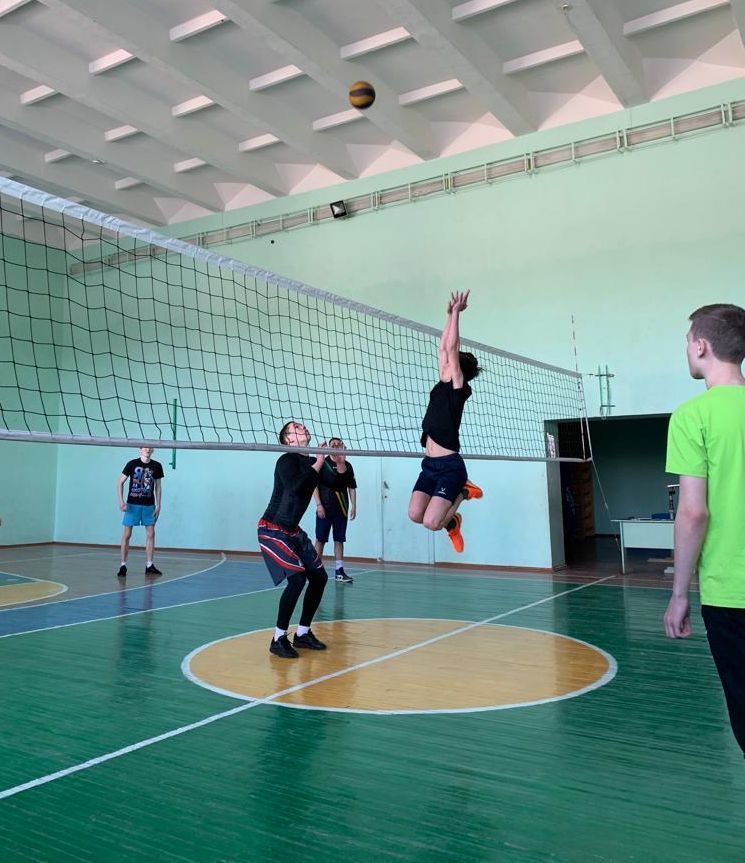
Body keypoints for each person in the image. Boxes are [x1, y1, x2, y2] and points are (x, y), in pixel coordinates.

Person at [664, 303, 745, 755]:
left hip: (730, 593)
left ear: (701, 346)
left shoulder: (692, 416)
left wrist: (680, 594)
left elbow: (694, 513)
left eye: (686, 342)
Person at [408, 291, 483, 553]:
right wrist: (448, 315)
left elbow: (451, 349)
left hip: (450, 467)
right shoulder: (442, 382)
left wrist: (457, 314)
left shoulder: (458, 387)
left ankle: (463, 492)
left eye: (449, 363)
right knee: (415, 515)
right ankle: (452, 518)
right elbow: (444, 348)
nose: (444, 363)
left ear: (457, 369)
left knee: (432, 523)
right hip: (429, 465)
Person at [258, 421, 330, 659]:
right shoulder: (286, 460)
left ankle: (303, 633)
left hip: (292, 530)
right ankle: (278, 638)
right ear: (289, 440)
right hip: (272, 529)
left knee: (319, 577)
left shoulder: (310, 463)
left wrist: (338, 463)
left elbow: (330, 483)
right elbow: (296, 486)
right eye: (297, 427)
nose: (304, 427)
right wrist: (319, 461)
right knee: (297, 579)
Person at [313, 437, 357, 583]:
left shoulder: (347, 465)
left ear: (342, 446)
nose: (336, 446)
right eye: (333, 445)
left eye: (338, 444)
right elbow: (314, 486)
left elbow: (352, 487)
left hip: (341, 507)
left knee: (339, 539)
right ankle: (315, 570)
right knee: (320, 539)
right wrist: (319, 505)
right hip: (324, 507)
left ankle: (339, 571)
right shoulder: (322, 463)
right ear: (329, 447)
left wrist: (354, 506)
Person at [116, 446, 164, 578]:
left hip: (149, 505)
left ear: (153, 450)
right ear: (140, 449)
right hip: (132, 505)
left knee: (151, 533)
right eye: (145, 448)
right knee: (127, 534)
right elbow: (120, 482)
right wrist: (121, 501)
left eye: (150, 448)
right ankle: (123, 565)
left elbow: (158, 487)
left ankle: (149, 565)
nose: (148, 450)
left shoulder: (157, 466)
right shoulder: (132, 464)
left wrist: (159, 505)